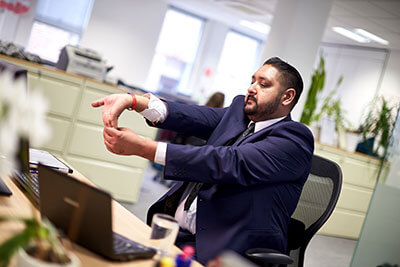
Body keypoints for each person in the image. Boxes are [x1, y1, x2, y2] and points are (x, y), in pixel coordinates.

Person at [91, 57, 314, 265]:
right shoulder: (239, 113)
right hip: (177, 233)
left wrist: (144, 148)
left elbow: (228, 162)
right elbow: (192, 116)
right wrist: (133, 101)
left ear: (287, 97)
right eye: (252, 81)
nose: (251, 88)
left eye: (264, 84)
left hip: (224, 249)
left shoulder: (293, 140)